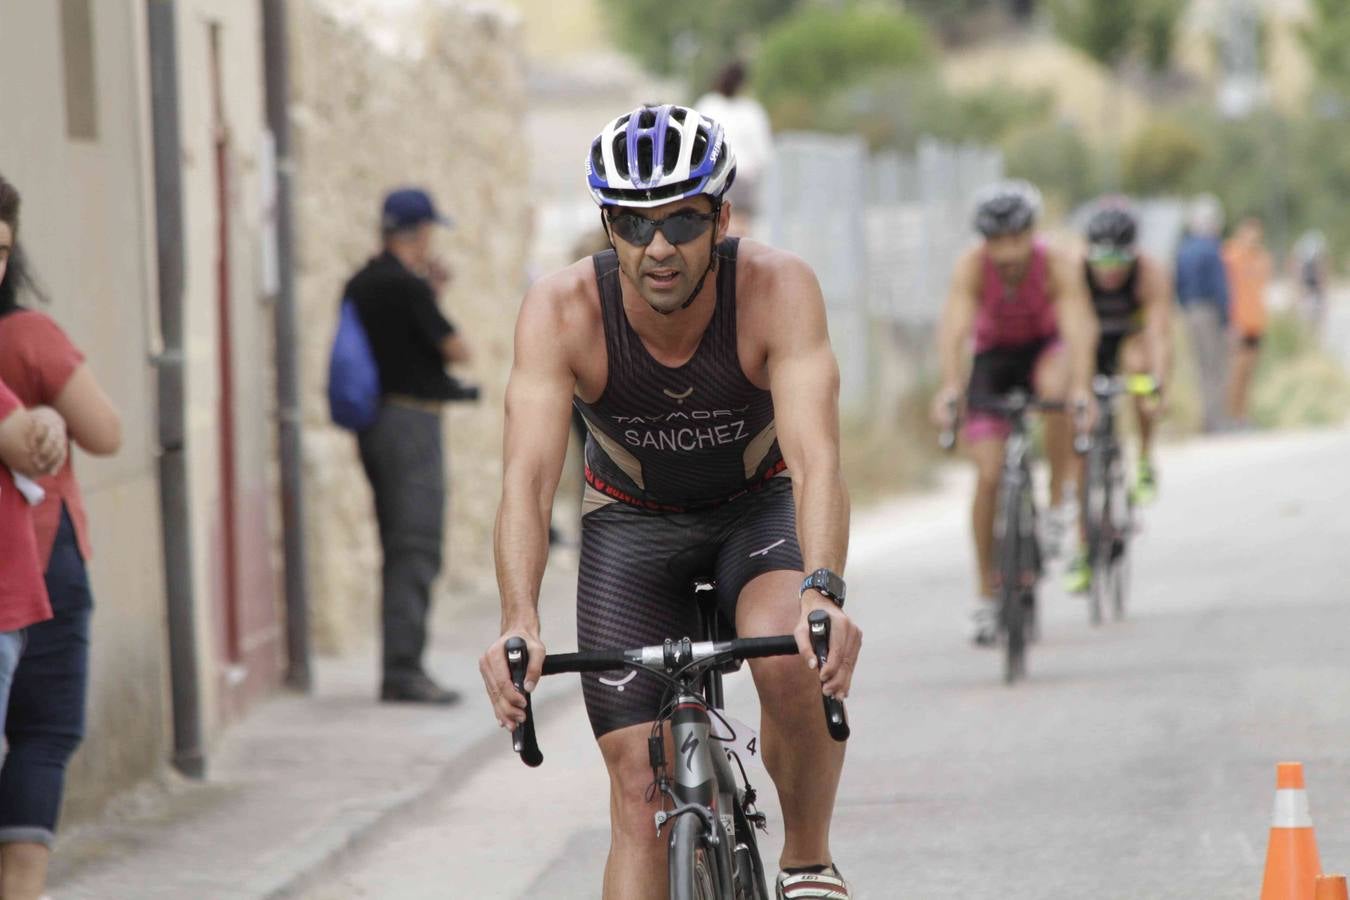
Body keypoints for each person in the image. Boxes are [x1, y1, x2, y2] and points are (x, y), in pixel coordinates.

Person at [478, 104, 862, 899]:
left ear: (721, 218)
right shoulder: (560, 311)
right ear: (606, 226)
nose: (658, 247)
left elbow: (818, 457)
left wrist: (823, 591)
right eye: (631, 222)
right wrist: (518, 618)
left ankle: (808, 861)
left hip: (756, 512)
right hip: (631, 531)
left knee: (789, 656)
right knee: (636, 788)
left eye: (683, 221)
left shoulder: (776, 288)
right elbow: (526, 477)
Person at [0, 173, 122, 900]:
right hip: (39, 562)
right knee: (43, 735)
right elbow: (105, 431)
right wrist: (51, 419)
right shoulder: (30, 336)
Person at [931, 180, 1097, 645]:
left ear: (1032, 234)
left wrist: (1083, 388)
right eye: (996, 242)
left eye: (1016, 239)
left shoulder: (1057, 264)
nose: (1007, 253)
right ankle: (986, 594)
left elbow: (1078, 327)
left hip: (1046, 350)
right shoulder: (971, 267)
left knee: (1058, 388)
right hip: (995, 360)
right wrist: (950, 386)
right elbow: (955, 329)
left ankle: (1060, 499)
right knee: (986, 476)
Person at [346, 187, 473, 705]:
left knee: (400, 544)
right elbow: (457, 349)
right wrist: (430, 292)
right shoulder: (405, 287)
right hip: (410, 425)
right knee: (416, 547)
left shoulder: (362, 282)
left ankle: (401, 663)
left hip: (378, 424)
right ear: (418, 233)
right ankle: (403, 670)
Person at [1063, 200, 1172, 594]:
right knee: (1080, 434)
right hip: (1088, 342)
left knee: (1141, 370)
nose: (1109, 269)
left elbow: (1160, 332)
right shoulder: (1075, 270)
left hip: (1130, 339)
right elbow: (1075, 330)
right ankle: (1080, 545)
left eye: (1118, 258)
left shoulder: (1149, 273)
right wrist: (1079, 388)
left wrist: (1159, 382)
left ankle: (1144, 456)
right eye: (1101, 257)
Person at [695, 60, 775, 235]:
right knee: (741, 224)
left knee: (719, 223)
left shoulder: (707, 105)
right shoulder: (751, 110)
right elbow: (763, 151)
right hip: (745, 177)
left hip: (713, 176)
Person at [1175, 194, 1231, 433]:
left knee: (1200, 368)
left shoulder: (1184, 249)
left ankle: (1206, 419)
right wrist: (1226, 318)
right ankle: (1215, 421)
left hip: (1190, 311)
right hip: (1208, 310)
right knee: (1214, 367)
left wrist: (1184, 306)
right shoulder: (1211, 248)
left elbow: (1176, 283)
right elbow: (1219, 286)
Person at [1222, 216, 1273, 428]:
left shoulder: (1263, 258)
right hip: (1238, 322)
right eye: (1248, 233)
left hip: (1256, 322)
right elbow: (1224, 291)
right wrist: (1230, 320)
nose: (1253, 238)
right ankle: (1230, 416)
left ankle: (1244, 415)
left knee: (1250, 373)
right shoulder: (1230, 255)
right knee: (1236, 372)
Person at [1293, 229, 1330, 335]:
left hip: (1311, 289)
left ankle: (1312, 338)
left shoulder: (1305, 256)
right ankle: (1312, 338)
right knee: (1312, 318)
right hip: (1310, 289)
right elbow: (1321, 274)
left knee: (1312, 318)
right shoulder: (1309, 258)